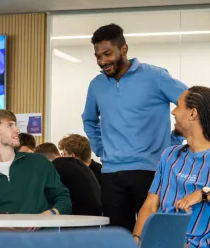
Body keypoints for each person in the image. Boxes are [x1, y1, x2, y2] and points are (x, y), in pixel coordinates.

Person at [82, 23, 188, 231]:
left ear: (124, 49)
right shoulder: (96, 85)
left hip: (151, 170)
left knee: (152, 233)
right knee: (117, 238)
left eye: (107, 54)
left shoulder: (155, 77)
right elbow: (89, 120)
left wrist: (175, 138)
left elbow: (191, 103)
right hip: (112, 172)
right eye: (97, 56)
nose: (102, 61)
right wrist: (102, 150)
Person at [133, 86, 210, 248]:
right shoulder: (169, 155)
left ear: (192, 113)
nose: (173, 112)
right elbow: (150, 205)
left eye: (178, 106)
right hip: (160, 240)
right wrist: (136, 239)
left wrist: (203, 193)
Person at [0, 110, 71, 216]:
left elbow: (64, 199)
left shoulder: (39, 162)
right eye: (10, 125)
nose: (17, 130)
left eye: (15, 125)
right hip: (0, 234)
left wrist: (48, 215)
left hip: (40, 233)